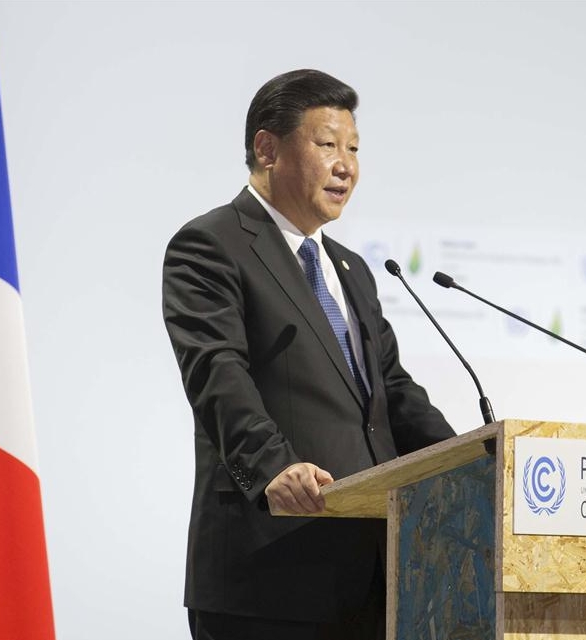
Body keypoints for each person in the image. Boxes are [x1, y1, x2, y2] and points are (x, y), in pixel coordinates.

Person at [162, 69, 454, 640]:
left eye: (354, 149)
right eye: (327, 145)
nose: (346, 166)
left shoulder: (352, 269)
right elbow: (217, 374)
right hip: (270, 573)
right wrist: (273, 466)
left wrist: (477, 462)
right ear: (267, 149)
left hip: (372, 577)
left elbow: (392, 393)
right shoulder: (210, 246)